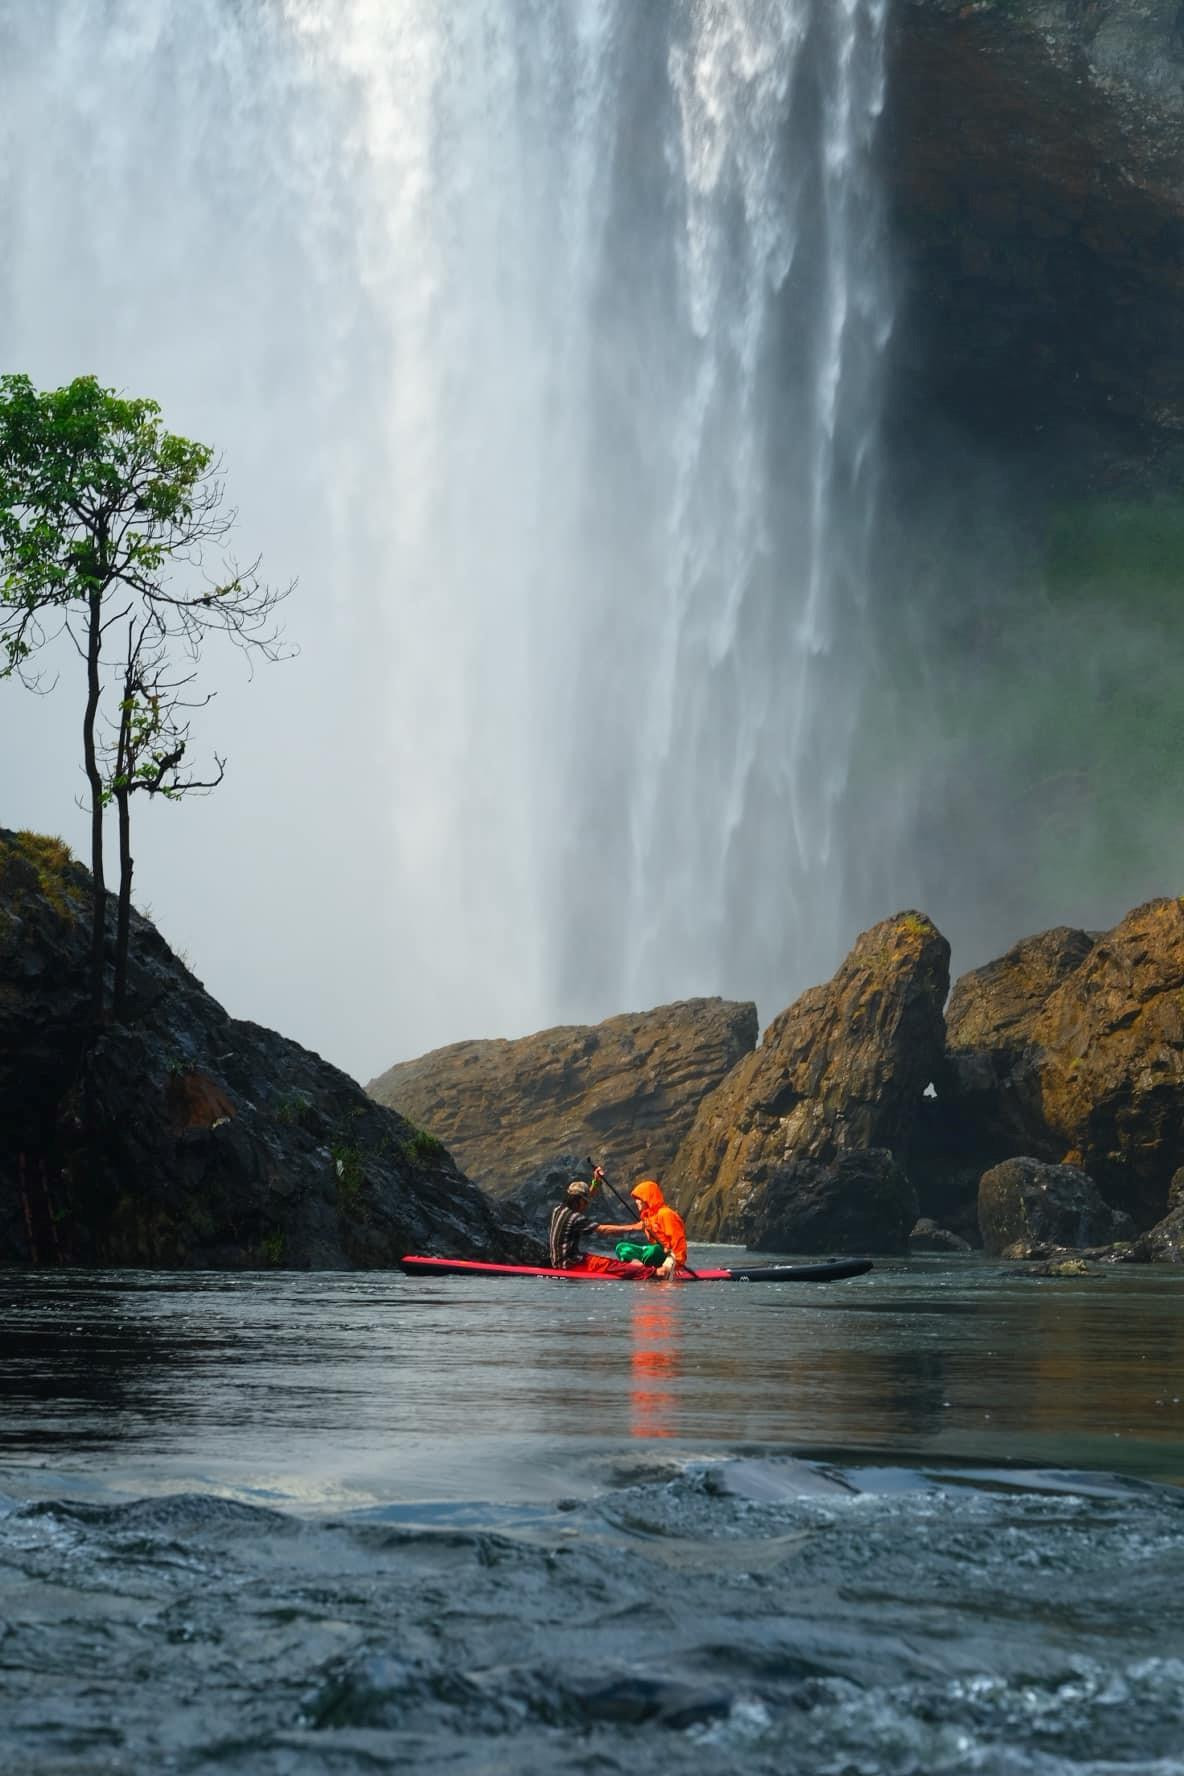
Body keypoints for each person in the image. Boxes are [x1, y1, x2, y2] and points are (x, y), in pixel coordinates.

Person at [548, 1179, 650, 1276]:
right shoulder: (575, 1218)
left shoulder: (558, 1209)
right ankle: (654, 1272)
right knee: (610, 1265)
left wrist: (596, 1182)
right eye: (585, 1203)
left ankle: (637, 1268)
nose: (586, 1206)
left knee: (611, 1262)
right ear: (577, 1201)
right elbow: (603, 1230)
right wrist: (634, 1227)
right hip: (570, 1265)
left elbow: (586, 1196)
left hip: (562, 1261)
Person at [597, 1176, 688, 1279]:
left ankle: (651, 1267)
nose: (636, 1202)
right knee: (621, 1247)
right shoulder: (647, 1217)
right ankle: (640, 1267)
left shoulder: (666, 1214)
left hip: (667, 1255)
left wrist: (678, 1265)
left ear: (647, 1198)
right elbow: (631, 1227)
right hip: (653, 1253)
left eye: (638, 1198)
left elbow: (679, 1240)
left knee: (653, 1251)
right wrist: (600, 1228)